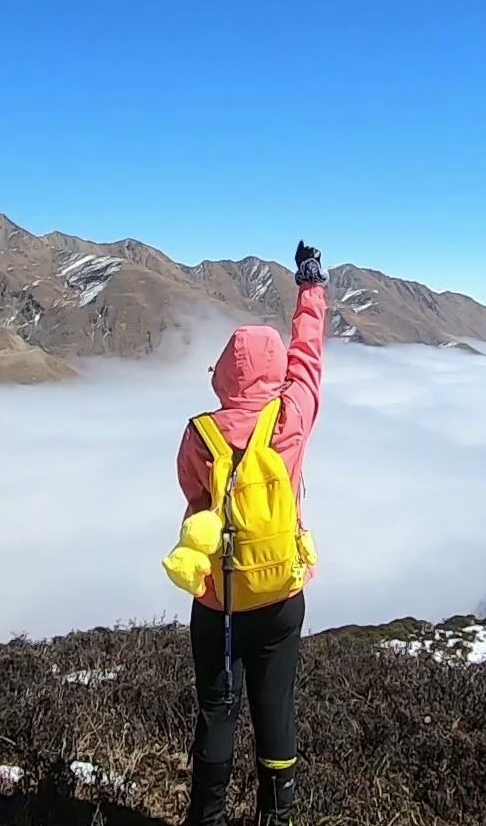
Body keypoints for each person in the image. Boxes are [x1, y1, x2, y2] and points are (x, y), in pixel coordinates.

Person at [175, 240, 327, 826]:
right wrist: (309, 286)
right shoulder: (292, 417)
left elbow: (193, 498)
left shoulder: (199, 435)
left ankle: (206, 817)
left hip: (221, 599)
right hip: (282, 595)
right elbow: (309, 359)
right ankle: (277, 816)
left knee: (217, 709)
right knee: (275, 707)